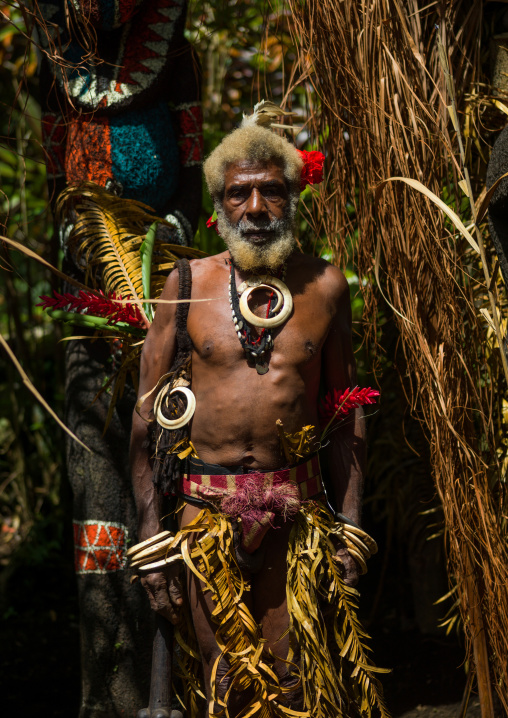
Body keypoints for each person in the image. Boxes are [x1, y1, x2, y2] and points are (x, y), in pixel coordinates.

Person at [129, 106, 385, 718]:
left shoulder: (325, 286)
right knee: (224, 683)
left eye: (272, 190)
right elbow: (144, 421)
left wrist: (350, 524)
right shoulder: (185, 281)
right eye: (239, 193)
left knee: (292, 680)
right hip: (204, 518)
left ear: (293, 196)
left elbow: (348, 413)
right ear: (218, 206)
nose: (256, 208)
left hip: (294, 516)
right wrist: (149, 531)